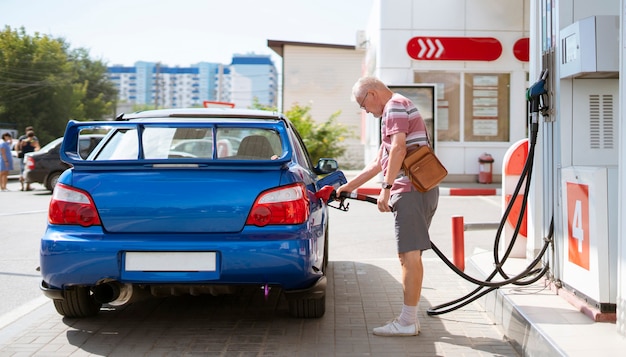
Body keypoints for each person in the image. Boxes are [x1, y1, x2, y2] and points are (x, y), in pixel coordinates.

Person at [337, 76, 439, 337]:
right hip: (420, 189)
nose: (366, 112)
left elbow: (398, 149)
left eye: (363, 105)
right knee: (410, 255)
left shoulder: (393, 106)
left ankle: (407, 322)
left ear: (372, 93)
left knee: (409, 256)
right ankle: (409, 319)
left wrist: (387, 188)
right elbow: (378, 162)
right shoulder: (399, 105)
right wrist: (349, 187)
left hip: (411, 190)